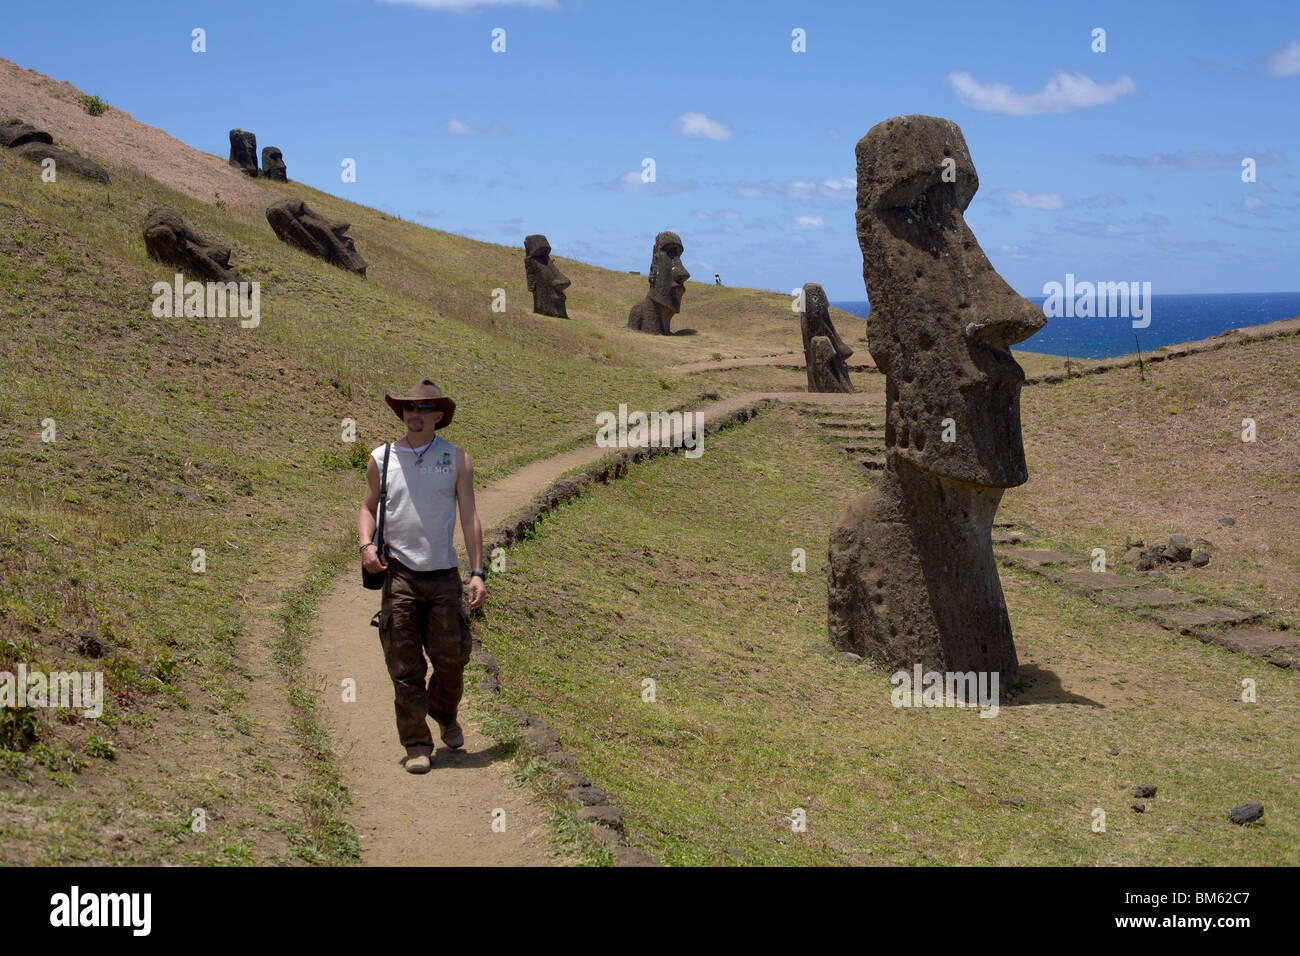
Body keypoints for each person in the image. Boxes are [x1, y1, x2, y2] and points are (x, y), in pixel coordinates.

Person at [358, 378, 487, 774]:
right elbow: (366, 507)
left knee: (452, 659)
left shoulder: (456, 459)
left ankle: (444, 712)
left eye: (423, 408)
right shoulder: (381, 457)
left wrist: (478, 571)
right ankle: (416, 743)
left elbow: (469, 516)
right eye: (409, 407)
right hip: (399, 574)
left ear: (438, 415)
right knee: (404, 664)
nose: (414, 414)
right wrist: (366, 545)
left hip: (444, 575)